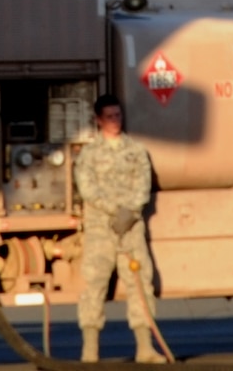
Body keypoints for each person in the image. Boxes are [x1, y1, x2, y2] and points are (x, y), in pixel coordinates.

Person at [74, 94, 160, 363]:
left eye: (118, 115)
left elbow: (143, 186)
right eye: (109, 116)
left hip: (131, 229)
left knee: (140, 285)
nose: (115, 121)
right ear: (99, 120)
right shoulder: (89, 154)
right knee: (94, 285)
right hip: (101, 230)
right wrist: (114, 210)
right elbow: (87, 188)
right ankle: (90, 351)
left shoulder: (136, 151)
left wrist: (130, 212)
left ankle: (145, 348)